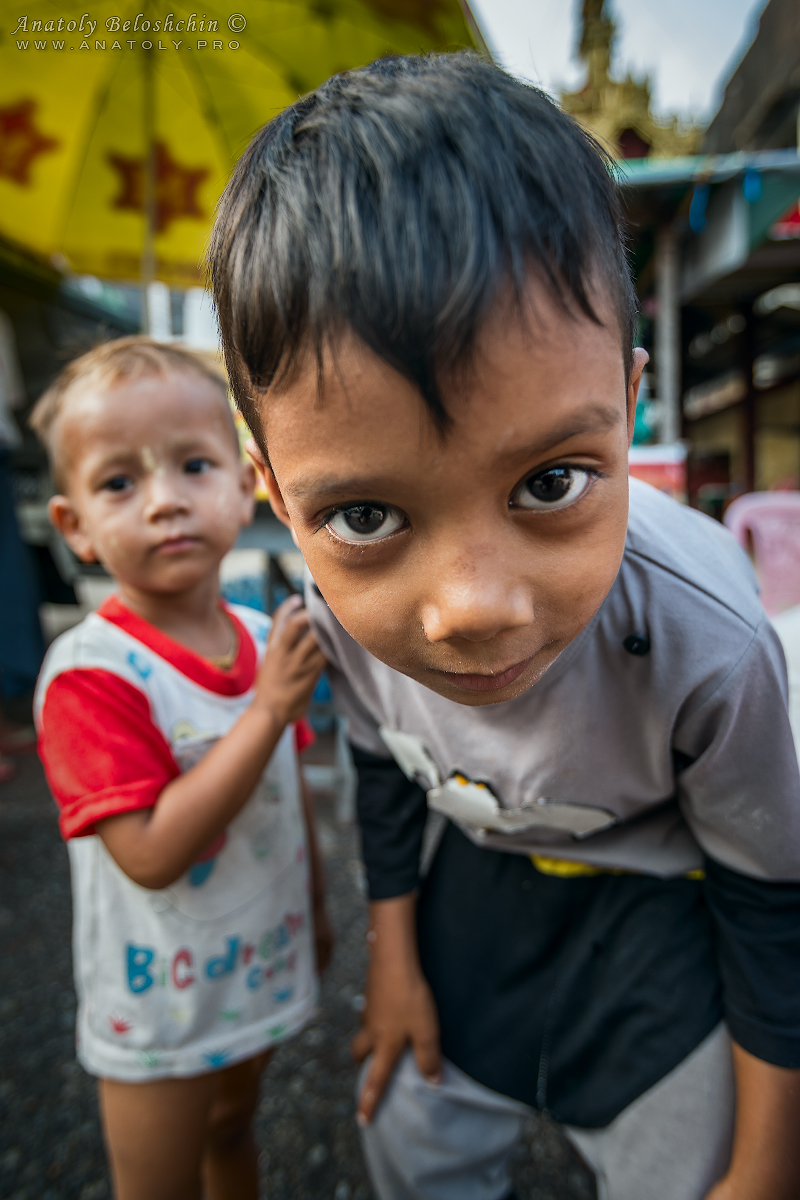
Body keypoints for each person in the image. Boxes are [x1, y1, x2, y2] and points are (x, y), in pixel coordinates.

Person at [208, 54, 800, 1200]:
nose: (470, 610)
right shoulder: (329, 617)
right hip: (466, 889)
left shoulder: (709, 644)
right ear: (274, 495)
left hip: (658, 910)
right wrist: (391, 960)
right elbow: (379, 766)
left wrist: (769, 1163)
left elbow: (770, 897)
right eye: (366, 514)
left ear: (627, 407)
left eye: (549, 482)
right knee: (410, 1144)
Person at [31, 337, 330, 1200]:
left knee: (234, 1129)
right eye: (120, 482)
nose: (164, 500)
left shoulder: (249, 636)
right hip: (157, 997)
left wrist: (312, 904)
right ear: (75, 525)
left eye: (194, 464)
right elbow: (152, 853)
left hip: (257, 958)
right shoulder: (92, 674)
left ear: (247, 486)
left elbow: (286, 783)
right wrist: (271, 707)